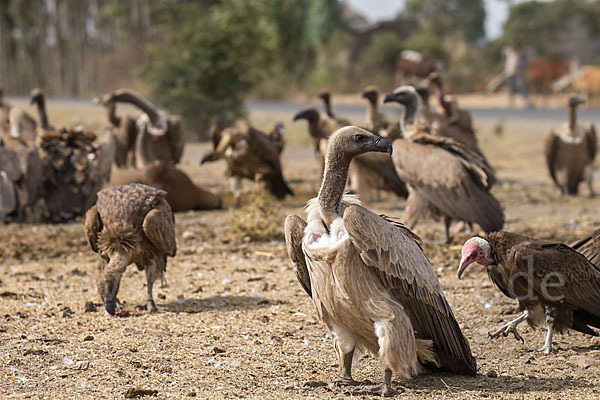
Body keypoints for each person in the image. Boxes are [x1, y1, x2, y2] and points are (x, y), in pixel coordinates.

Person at [503, 40, 533, 108]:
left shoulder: (521, 53)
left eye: (515, 46)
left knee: (521, 86)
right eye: (513, 46)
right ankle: (511, 102)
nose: (514, 47)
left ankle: (527, 101)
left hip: (517, 73)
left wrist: (520, 66)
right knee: (510, 88)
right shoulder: (508, 52)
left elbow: (524, 63)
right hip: (509, 73)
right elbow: (505, 59)